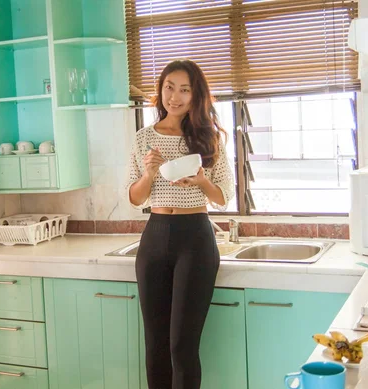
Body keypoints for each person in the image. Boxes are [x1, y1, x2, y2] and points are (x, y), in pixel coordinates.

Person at [126, 59, 235, 389]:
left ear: (195, 95)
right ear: (160, 91)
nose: (175, 96)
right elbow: (135, 198)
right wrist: (148, 173)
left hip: (195, 240)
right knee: (155, 346)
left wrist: (202, 182)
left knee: (182, 347)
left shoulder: (208, 138)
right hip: (155, 238)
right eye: (169, 87)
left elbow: (223, 196)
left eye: (184, 89)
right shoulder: (144, 138)